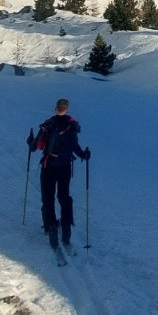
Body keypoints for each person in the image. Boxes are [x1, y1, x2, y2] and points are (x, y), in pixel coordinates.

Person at [28, 98, 90, 250]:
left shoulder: (48, 125)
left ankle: (51, 228)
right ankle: (66, 229)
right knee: (64, 196)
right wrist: (84, 155)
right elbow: (75, 147)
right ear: (66, 109)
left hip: (48, 166)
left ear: (56, 109)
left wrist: (30, 141)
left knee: (48, 198)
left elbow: (34, 147)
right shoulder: (71, 126)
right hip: (65, 168)